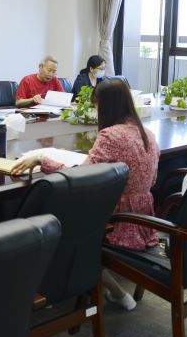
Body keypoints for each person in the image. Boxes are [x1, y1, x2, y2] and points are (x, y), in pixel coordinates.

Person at [11, 78, 160, 311]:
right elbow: (153, 180)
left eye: (96, 106)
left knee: (53, 224)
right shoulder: (147, 133)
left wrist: (42, 159)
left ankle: (54, 289)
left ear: (105, 106)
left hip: (117, 222)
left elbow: (81, 176)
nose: (95, 111)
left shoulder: (110, 135)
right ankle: (114, 292)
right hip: (144, 219)